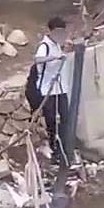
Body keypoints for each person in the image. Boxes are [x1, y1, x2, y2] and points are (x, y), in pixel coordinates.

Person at [34, 16, 70, 165]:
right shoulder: (45, 45)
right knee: (51, 122)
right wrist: (54, 57)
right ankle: (55, 150)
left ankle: (65, 148)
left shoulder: (57, 44)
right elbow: (38, 59)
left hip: (61, 89)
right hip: (48, 90)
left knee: (65, 118)